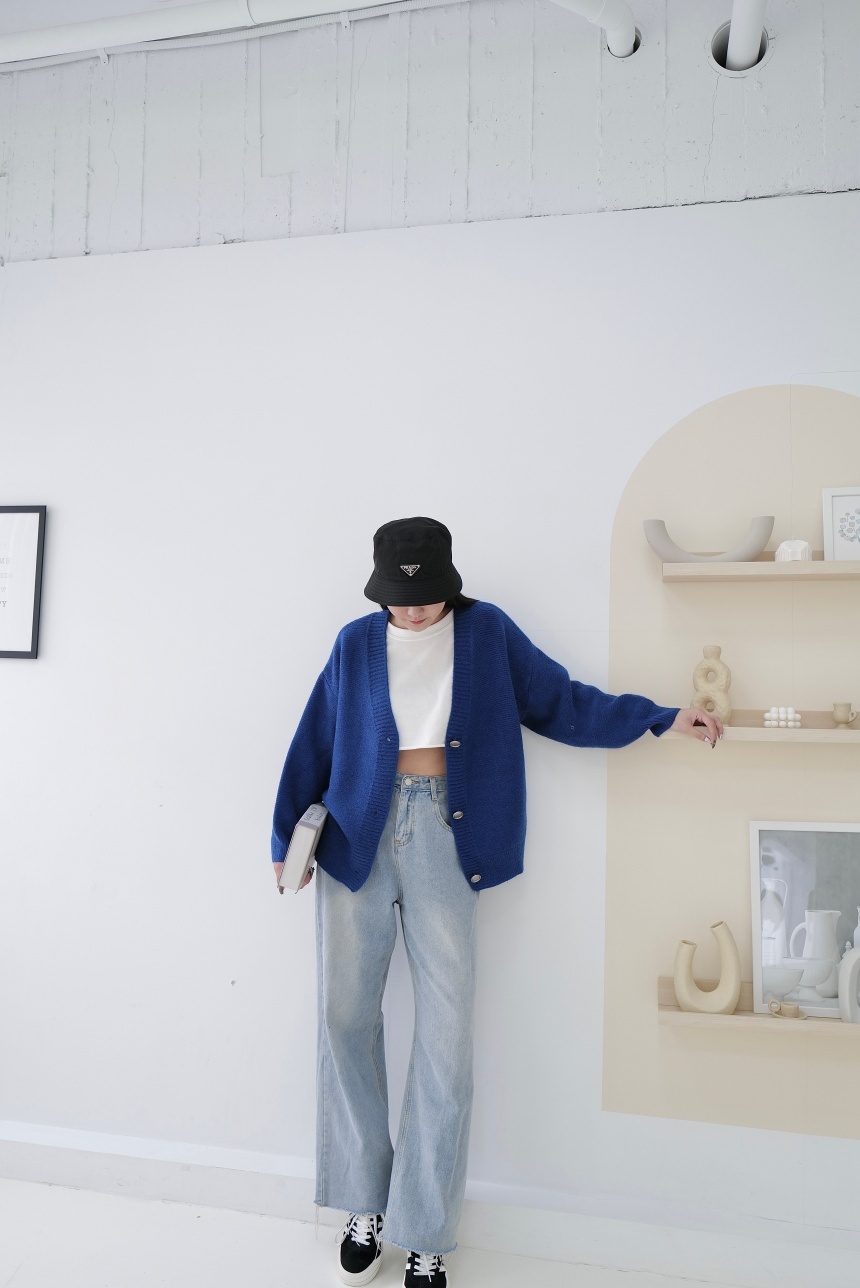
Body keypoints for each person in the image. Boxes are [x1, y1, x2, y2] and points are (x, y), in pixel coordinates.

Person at [271, 516, 722, 1288]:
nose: (412, 610)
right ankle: (363, 1203)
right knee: (345, 1020)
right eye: (398, 598)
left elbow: (560, 702)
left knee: (445, 1042)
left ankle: (426, 1232)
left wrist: (658, 718)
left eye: (425, 597)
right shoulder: (354, 644)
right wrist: (286, 838)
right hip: (356, 840)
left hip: (448, 837)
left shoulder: (487, 633)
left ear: (450, 583)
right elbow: (314, 738)